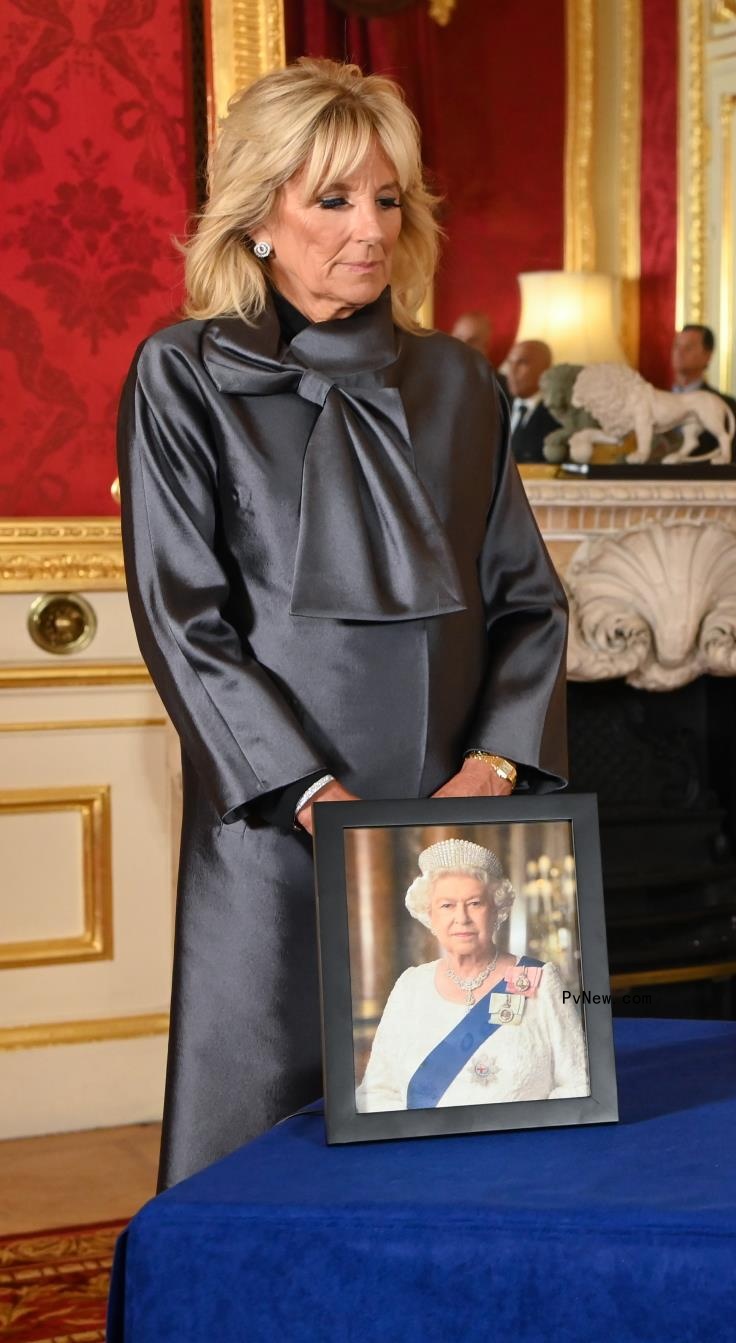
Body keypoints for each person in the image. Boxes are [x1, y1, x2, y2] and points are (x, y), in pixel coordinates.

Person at [117, 58, 570, 1188]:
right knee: (263, 1127)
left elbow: (527, 600)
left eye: (386, 198)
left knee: (458, 1114)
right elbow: (185, 615)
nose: (368, 229)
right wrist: (309, 793)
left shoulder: (462, 382)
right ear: (259, 215)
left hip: (449, 819)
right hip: (274, 820)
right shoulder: (183, 373)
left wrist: (496, 768)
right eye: (332, 199)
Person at [359, 840, 587, 1111]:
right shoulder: (410, 987)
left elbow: (578, 1083)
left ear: (497, 910)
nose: (462, 918)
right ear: (430, 915)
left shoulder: (539, 980)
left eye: (475, 903)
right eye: (447, 906)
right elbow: (376, 1091)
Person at [658, 322, 736, 460]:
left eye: (688, 347)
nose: (679, 352)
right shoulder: (657, 399)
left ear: (707, 355)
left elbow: (734, 460)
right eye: (676, 346)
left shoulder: (723, 404)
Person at [503, 338, 561, 462]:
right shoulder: (496, 408)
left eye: (522, 363)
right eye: (510, 363)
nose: (512, 371)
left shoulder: (558, 414)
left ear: (545, 369)